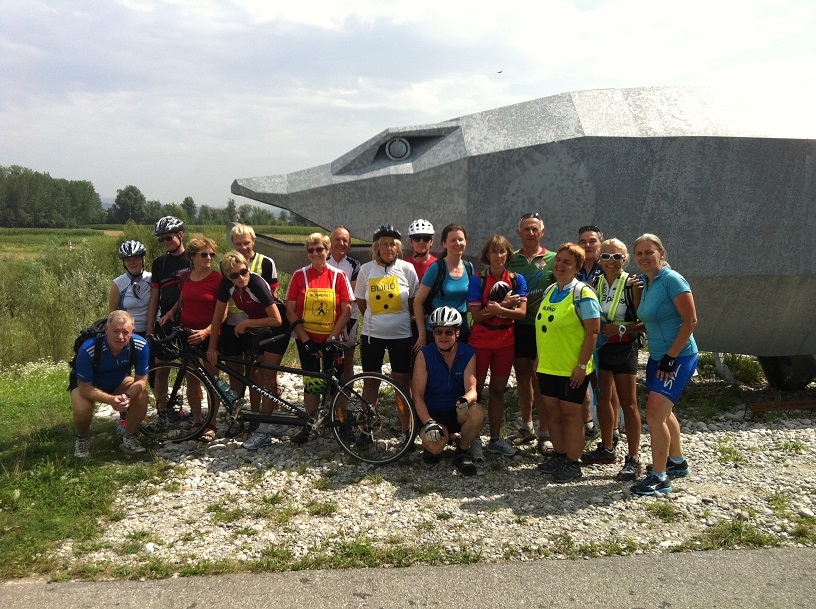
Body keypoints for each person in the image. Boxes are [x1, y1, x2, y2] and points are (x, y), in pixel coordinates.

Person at [629, 234, 698, 496]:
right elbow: (646, 317)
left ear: (662, 253)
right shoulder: (648, 282)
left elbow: (690, 320)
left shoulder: (672, 280)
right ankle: (677, 462)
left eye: (650, 252)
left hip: (677, 357)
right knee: (665, 411)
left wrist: (671, 357)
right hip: (658, 356)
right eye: (640, 254)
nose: (644, 257)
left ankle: (660, 477)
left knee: (655, 414)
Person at [580, 239, 645, 481]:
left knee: (629, 404)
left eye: (617, 257)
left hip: (625, 347)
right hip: (601, 350)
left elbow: (643, 321)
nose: (611, 262)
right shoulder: (595, 283)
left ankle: (634, 458)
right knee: (603, 398)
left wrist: (620, 330)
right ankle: (607, 448)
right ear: (599, 258)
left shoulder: (632, 284)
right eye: (606, 256)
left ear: (625, 259)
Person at [535, 243, 601, 483]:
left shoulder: (583, 294)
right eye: (559, 260)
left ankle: (574, 461)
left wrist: (582, 366)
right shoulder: (550, 290)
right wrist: (539, 360)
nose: (561, 265)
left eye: (567, 262)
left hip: (572, 368)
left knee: (572, 416)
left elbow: (593, 332)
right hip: (548, 366)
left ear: (577, 268)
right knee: (552, 413)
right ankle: (561, 455)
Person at [207, 251, 284, 450]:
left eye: (243, 272)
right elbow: (216, 318)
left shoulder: (256, 284)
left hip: (278, 328)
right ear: (226, 276)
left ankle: (264, 430)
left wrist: (247, 323)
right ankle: (266, 422)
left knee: (267, 375)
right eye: (234, 275)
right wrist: (212, 347)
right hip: (259, 328)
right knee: (256, 374)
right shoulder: (227, 286)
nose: (241, 278)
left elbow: (277, 319)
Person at [285, 233, 354, 445]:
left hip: (333, 339)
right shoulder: (299, 275)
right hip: (308, 339)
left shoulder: (338, 275)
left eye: (320, 249)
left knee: (338, 383)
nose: (315, 253)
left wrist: (332, 337)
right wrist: (306, 340)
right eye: (311, 250)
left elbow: (347, 309)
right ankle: (311, 423)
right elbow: (290, 309)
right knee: (312, 382)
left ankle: (342, 423)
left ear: (327, 251)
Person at [466, 234, 528, 458]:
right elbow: (477, 317)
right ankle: (472, 439)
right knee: (476, 392)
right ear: (487, 255)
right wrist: (504, 305)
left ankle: (494, 438)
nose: (498, 256)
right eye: (494, 251)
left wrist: (496, 309)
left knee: (498, 391)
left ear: (508, 254)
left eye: (502, 251)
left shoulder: (517, 278)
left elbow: (521, 313)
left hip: (505, 342)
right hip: (481, 342)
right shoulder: (477, 279)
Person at [160, 237, 223, 442]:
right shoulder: (186, 277)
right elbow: (181, 300)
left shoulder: (218, 279)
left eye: (212, 254)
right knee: (192, 380)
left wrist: (207, 332)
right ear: (192, 257)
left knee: (212, 380)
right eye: (204, 254)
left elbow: (223, 313)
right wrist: (170, 312)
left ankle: (211, 424)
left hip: (210, 335)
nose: (209, 258)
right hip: (187, 334)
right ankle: (198, 421)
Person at [354, 225, 419, 420]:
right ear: (377, 247)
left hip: (401, 336)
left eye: (392, 244)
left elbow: (413, 299)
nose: (389, 248)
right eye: (384, 244)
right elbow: (360, 301)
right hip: (373, 336)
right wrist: (375, 318)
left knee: (401, 383)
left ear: (398, 247)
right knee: (371, 382)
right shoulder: (366, 270)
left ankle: (405, 428)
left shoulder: (407, 269)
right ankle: (367, 425)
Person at [413, 307, 485, 476]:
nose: (443, 336)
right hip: (433, 414)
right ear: (434, 333)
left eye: (448, 332)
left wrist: (466, 400)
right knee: (436, 448)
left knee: (477, 412)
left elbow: (472, 390)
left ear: (457, 333)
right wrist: (428, 422)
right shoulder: (424, 355)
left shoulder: (468, 353)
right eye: (438, 332)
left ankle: (462, 451)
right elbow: (417, 395)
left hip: (456, 410)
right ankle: (437, 440)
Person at [506, 212, 556, 453]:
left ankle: (545, 432)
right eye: (526, 229)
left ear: (542, 232)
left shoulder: (555, 259)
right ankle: (527, 426)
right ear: (519, 233)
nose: (530, 233)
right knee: (523, 377)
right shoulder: (510, 260)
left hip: (545, 329)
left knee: (541, 379)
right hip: (518, 327)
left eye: (535, 229)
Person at [228, 224, 290, 414]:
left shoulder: (265, 262)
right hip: (241, 321)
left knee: (264, 371)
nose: (243, 247)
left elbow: (271, 294)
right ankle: (247, 413)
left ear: (253, 241)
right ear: (233, 244)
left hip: (264, 321)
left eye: (246, 243)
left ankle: (265, 414)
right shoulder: (229, 264)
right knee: (245, 371)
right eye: (238, 244)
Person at [71, 311, 149, 458]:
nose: (120, 337)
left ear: (133, 331)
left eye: (125, 332)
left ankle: (128, 437)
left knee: (142, 396)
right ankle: (83, 437)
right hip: (88, 385)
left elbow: (141, 381)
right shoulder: (88, 349)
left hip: (119, 381)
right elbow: (84, 387)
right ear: (106, 330)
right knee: (83, 408)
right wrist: (110, 400)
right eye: (115, 331)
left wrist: (127, 396)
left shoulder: (140, 345)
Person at [146, 216, 190, 423]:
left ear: (181, 235)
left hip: (189, 320)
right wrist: (149, 329)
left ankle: (195, 414)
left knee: (191, 370)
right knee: (161, 369)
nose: (165, 242)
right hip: (164, 322)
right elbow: (154, 297)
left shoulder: (193, 259)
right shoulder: (159, 263)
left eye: (169, 238)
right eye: (161, 239)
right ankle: (163, 411)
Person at [108, 240, 152, 435]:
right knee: (125, 376)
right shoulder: (119, 284)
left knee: (152, 373)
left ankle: (160, 409)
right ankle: (124, 417)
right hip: (127, 335)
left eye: (136, 258)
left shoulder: (152, 279)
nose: (133, 262)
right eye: (128, 259)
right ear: (124, 262)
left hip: (149, 331)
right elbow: (113, 315)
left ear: (143, 259)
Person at [413, 223, 474, 348]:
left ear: (465, 242)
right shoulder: (436, 268)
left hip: (461, 331)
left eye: (460, 239)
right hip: (437, 332)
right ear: (444, 244)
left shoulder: (469, 268)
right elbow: (417, 302)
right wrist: (422, 335)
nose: (457, 243)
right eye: (452, 240)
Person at [576, 224, 607, 446]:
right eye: (583, 241)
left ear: (600, 243)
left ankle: (610, 434)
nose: (587, 245)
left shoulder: (608, 265)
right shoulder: (573, 266)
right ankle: (588, 427)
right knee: (580, 381)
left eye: (592, 241)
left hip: (604, 336)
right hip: (577, 336)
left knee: (604, 388)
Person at [327, 226, 362, 388]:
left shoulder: (355, 265)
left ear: (349, 244)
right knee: (326, 357)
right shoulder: (323, 261)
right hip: (326, 317)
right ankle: (327, 401)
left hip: (350, 317)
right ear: (330, 241)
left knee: (347, 359)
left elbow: (353, 294)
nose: (341, 243)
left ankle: (345, 401)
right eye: (337, 239)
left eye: (345, 240)